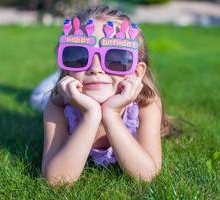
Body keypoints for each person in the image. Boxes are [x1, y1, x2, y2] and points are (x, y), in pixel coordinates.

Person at [36, 5, 173, 186]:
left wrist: (112, 115)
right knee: (38, 98)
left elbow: (146, 174)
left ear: (137, 73)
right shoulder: (58, 106)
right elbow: (56, 180)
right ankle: (49, 82)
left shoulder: (146, 104)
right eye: (79, 56)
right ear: (67, 68)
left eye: (116, 58)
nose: (95, 68)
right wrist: (91, 116)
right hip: (64, 93)